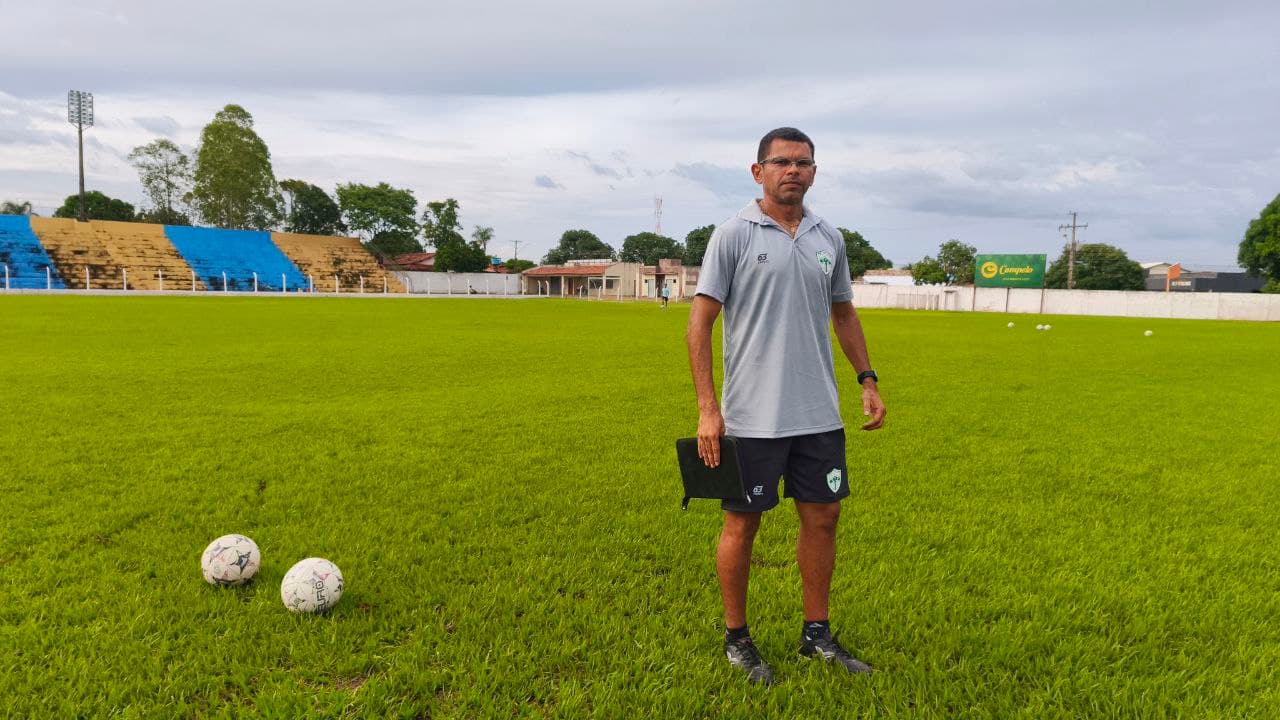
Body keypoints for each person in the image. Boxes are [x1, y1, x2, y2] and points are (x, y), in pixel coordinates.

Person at [685, 127, 887, 686]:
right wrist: (708, 408)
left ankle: (816, 635)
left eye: (803, 163)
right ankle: (737, 640)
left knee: (823, 518)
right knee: (742, 523)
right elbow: (700, 322)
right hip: (751, 415)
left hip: (817, 412)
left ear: (815, 173)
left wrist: (866, 378)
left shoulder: (829, 238)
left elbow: (843, 312)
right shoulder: (733, 234)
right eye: (781, 162)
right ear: (758, 172)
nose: (792, 171)